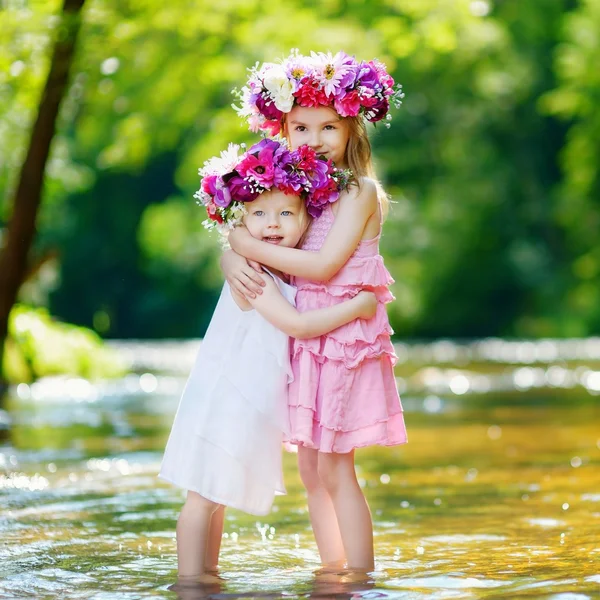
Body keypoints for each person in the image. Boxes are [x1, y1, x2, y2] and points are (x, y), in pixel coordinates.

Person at [159, 138, 378, 585]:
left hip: (235, 397)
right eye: (258, 214)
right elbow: (296, 326)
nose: (272, 225)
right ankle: (189, 583)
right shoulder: (255, 274)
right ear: (241, 219)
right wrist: (357, 308)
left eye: (285, 215)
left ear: (306, 220)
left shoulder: (271, 266)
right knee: (202, 497)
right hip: (225, 398)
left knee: (211, 495)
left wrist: (235, 245)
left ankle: (207, 578)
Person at [222, 50, 408, 574]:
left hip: (345, 334)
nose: (315, 140)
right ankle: (334, 569)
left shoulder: (359, 191)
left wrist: (240, 242)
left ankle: (361, 579)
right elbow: (271, 236)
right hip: (305, 340)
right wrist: (230, 249)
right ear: (283, 128)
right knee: (310, 469)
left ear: (352, 129)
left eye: (329, 127)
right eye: (301, 127)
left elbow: (324, 266)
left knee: (335, 467)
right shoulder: (299, 194)